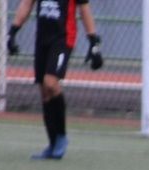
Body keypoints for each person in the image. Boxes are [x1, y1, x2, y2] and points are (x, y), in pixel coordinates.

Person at [6, 0, 103, 160]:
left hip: (63, 39)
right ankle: (52, 144)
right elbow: (27, 4)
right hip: (42, 40)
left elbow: (84, 9)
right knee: (44, 92)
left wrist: (93, 42)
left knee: (50, 82)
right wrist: (13, 31)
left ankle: (62, 137)